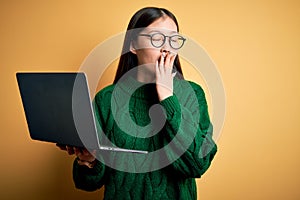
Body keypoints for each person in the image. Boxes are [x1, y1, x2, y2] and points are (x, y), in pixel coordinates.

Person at [58, 7, 217, 200]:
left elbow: (197, 165)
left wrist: (167, 97)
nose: (167, 48)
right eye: (157, 38)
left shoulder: (193, 94)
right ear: (133, 45)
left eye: (173, 40)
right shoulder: (106, 100)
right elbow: (86, 183)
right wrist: (89, 161)